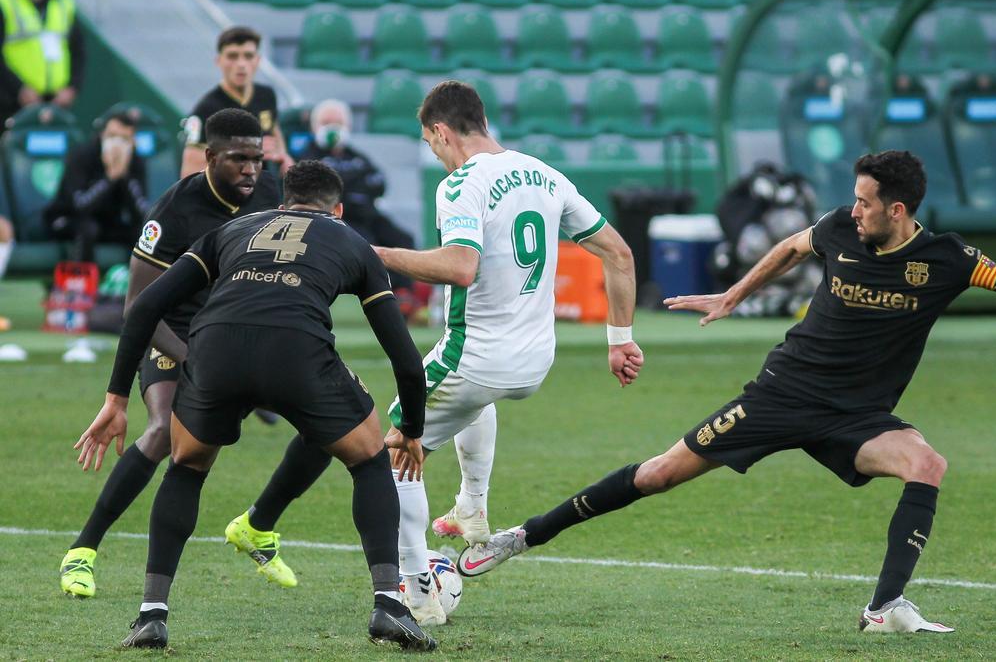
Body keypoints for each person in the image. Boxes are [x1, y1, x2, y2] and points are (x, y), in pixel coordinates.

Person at [455, 150, 996, 633]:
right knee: (657, 474)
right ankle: (522, 536)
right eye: (855, 200)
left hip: (858, 416)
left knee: (927, 463)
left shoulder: (949, 259)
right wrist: (733, 296)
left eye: (866, 201)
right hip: (782, 391)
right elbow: (790, 247)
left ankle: (885, 606)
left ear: (897, 210)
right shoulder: (838, 227)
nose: (853, 208)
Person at [225, 80, 641, 628]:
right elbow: (618, 252)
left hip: (473, 357)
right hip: (535, 360)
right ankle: (472, 503)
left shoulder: (462, 183)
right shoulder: (545, 174)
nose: (434, 153)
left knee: (386, 451)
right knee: (475, 402)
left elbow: (459, 266)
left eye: (429, 142)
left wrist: (369, 253)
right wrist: (620, 339)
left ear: (442, 131)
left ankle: (419, 591)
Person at [73, 160, 436, 651]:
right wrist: (410, 428)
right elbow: (408, 364)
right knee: (368, 454)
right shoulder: (350, 239)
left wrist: (116, 398)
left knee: (186, 466)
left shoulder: (234, 228)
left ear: (282, 204)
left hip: (214, 350)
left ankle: (151, 615)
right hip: (296, 352)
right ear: (339, 208)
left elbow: (143, 306)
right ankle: (388, 607)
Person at [58, 108, 283, 598]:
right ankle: (83, 552)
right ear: (209, 157)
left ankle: (259, 526)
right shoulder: (173, 210)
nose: (250, 170)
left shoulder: (268, 194)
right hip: (173, 333)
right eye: (239, 159)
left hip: (232, 333)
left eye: (258, 159)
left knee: (330, 419)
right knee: (164, 432)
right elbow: (138, 305)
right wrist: (190, 356)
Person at [299, 98, 416, 292]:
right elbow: (322, 189)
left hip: (367, 214)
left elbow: (379, 183)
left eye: (338, 123)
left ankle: (405, 295)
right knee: (368, 243)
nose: (333, 128)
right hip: (335, 220)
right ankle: (385, 290)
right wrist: (354, 188)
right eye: (326, 123)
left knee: (403, 240)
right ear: (314, 127)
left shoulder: (356, 156)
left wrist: (346, 187)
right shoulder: (307, 156)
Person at [179, 26, 291, 177]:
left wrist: (283, 156)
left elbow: (273, 128)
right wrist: (249, 150)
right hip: (228, 198)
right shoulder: (206, 109)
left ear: (258, 61)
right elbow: (189, 172)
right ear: (219, 61)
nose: (241, 64)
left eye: (248, 56)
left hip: (263, 192)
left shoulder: (266, 95)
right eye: (232, 56)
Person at [43, 110, 148, 262]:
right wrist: (109, 178)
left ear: (133, 142)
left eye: (124, 139)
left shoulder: (135, 160)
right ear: (102, 135)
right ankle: (83, 282)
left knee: (141, 233)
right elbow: (80, 206)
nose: (117, 144)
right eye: (112, 136)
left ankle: (136, 282)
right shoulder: (82, 155)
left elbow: (141, 213)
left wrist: (124, 176)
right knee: (88, 228)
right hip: (66, 218)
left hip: (107, 222)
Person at [0, 0, 83, 128]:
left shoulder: (63, 1)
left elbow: (78, 51)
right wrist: (19, 89)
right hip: (11, 102)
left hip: (56, 103)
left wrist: (72, 87)